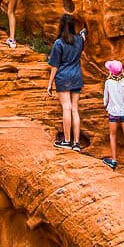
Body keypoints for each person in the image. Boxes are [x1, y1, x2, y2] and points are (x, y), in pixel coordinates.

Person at [47, 14, 88, 151]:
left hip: (63, 78)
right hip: (76, 76)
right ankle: (76, 143)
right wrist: (83, 32)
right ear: (72, 25)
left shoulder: (59, 43)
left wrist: (50, 84)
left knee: (66, 108)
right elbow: (82, 38)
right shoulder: (79, 41)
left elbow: (55, 66)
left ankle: (67, 140)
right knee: (75, 109)